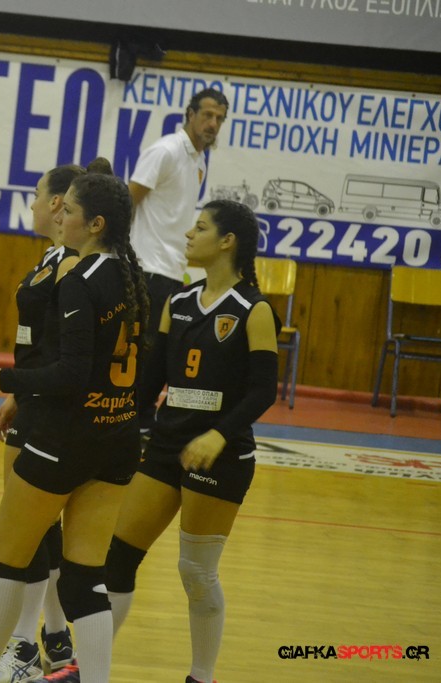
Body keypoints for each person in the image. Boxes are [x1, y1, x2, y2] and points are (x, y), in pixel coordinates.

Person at [0, 172, 149, 683]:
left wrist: (2, 379)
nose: (61, 216)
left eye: (70, 211)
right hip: (116, 441)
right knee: (85, 579)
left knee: (7, 562)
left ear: (95, 224)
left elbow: (69, 374)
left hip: (64, 439)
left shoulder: (79, 279)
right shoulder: (134, 280)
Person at [102, 199, 280, 683]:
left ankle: (201, 676)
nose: (188, 235)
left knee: (196, 574)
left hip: (222, 456)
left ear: (227, 242)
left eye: (200, 228)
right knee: (117, 558)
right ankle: (88, 666)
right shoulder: (178, 303)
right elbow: (147, 384)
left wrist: (219, 435)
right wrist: (114, 425)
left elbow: (264, 391)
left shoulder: (254, 309)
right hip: (165, 447)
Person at [0, 161, 111, 681]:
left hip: (53, 407)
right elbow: (43, 343)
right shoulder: (52, 258)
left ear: (59, 203)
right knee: (38, 530)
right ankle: (56, 640)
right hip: (34, 397)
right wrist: (19, 392)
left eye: (38, 194)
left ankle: (23, 645)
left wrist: (17, 385)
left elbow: (68, 354)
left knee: (29, 532)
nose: (34, 203)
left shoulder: (73, 267)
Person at [130, 88, 229, 433]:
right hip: (147, 266)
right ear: (190, 114)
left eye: (219, 118)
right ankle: (134, 418)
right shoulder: (166, 151)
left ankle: (141, 416)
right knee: (147, 350)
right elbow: (128, 200)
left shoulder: (198, 160)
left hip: (172, 269)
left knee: (159, 350)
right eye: (207, 115)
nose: (213, 123)